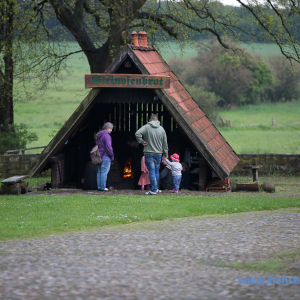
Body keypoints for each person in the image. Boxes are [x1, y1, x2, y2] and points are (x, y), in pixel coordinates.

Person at [135, 114, 168, 195]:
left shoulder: (146, 127)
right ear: (157, 120)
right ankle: (156, 189)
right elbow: (165, 142)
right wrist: (165, 153)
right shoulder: (161, 129)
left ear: (149, 120)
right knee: (156, 171)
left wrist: (142, 142)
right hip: (158, 154)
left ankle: (153, 190)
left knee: (151, 172)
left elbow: (137, 134)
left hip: (149, 153)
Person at [96, 122, 114, 191]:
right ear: (107, 128)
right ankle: (103, 187)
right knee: (104, 172)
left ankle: (99, 187)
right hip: (106, 156)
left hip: (98, 156)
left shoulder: (98, 135)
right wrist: (112, 156)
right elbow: (109, 147)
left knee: (99, 172)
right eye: (111, 129)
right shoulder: (107, 136)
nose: (111, 130)